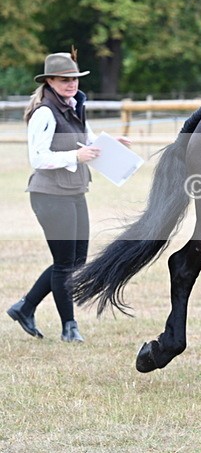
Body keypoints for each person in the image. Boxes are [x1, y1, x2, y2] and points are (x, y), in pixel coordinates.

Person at [6, 50, 127, 342]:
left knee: (76, 259)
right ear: (49, 81)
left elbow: (85, 141)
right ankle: (69, 328)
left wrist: (108, 144)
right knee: (65, 264)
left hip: (73, 191)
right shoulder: (45, 112)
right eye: (64, 79)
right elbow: (38, 158)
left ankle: (25, 307)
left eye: (74, 78)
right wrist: (77, 154)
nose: (71, 84)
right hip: (48, 194)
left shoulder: (75, 105)